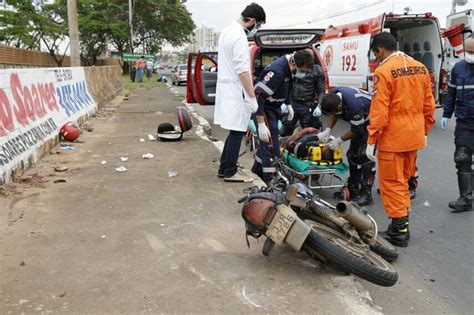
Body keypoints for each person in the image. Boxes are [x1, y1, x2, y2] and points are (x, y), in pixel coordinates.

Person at [365, 32, 435, 247]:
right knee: (403, 181)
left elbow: (379, 110)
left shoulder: (383, 71)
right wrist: (424, 129)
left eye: (375, 54)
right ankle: (401, 225)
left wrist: (372, 139)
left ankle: (399, 231)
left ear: (380, 50)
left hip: (393, 138)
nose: (375, 58)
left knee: (392, 183)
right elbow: (429, 104)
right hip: (413, 136)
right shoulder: (420, 67)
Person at [214, 3, 266, 183]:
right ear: (251, 20)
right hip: (235, 89)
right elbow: (243, 71)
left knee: (234, 130)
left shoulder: (227, 31)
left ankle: (224, 168)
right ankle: (230, 172)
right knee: (238, 130)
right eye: (257, 25)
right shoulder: (239, 37)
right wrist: (252, 98)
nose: (255, 29)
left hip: (227, 87)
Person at [252, 50, 314, 183]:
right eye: (302, 70)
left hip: (274, 108)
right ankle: (269, 178)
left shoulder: (290, 69)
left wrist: (288, 104)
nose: (302, 73)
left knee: (270, 141)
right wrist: (261, 123)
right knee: (270, 144)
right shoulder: (277, 71)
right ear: (294, 63)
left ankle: (256, 171)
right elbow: (258, 96)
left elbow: (288, 87)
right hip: (264, 109)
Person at [320, 86, 374, 206]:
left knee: (364, 156)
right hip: (360, 122)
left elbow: (357, 130)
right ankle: (353, 188)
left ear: (339, 106)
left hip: (373, 120)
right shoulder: (333, 95)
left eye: (335, 110)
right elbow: (333, 114)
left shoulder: (353, 104)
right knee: (352, 154)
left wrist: (339, 140)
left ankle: (366, 193)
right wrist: (327, 130)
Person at [440, 36, 474, 212]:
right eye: (468, 51)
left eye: (473, 52)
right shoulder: (458, 69)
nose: (470, 55)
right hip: (465, 121)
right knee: (462, 158)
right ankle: (465, 199)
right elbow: (451, 93)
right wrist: (446, 114)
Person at [281, 48, 326, 136]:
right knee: (285, 128)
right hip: (292, 102)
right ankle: (284, 146)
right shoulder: (294, 67)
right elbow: (285, 84)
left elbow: (321, 90)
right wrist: (284, 101)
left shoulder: (317, 71)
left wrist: (319, 106)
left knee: (308, 129)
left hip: (307, 103)